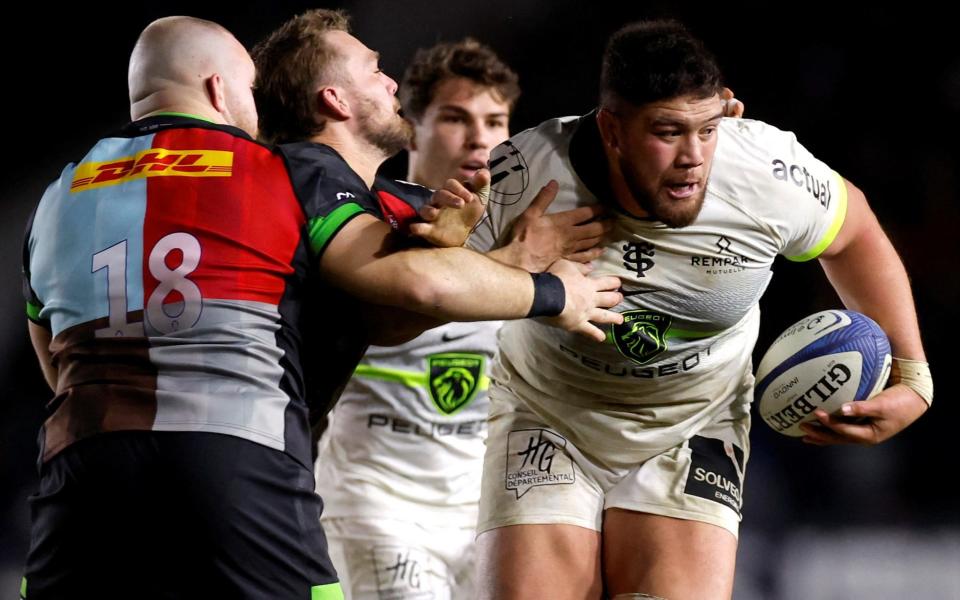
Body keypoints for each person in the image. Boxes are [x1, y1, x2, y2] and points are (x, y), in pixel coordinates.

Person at [20, 15, 622, 599]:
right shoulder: (280, 172)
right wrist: (547, 289)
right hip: (241, 464)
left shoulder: (56, 195)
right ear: (218, 90)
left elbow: (52, 362)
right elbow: (408, 277)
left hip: (81, 476)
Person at [468, 20, 933, 600]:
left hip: (693, 423)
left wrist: (913, 375)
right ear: (612, 130)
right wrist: (509, 263)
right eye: (667, 132)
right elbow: (416, 292)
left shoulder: (764, 171)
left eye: (707, 129)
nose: (694, 156)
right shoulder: (522, 179)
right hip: (547, 416)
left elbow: (854, 230)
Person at [314, 38, 610, 600]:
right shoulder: (363, 222)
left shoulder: (538, 229)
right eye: (456, 118)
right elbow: (382, 320)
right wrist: (516, 268)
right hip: (380, 506)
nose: (480, 137)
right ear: (412, 126)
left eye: (495, 120)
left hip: (491, 510)